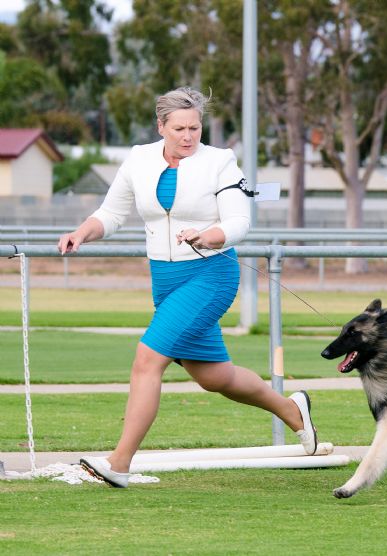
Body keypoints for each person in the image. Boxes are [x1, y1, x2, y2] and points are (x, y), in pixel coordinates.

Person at [57, 87, 316, 488]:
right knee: (215, 377)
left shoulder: (220, 162)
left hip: (210, 276)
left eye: (194, 128)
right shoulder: (139, 159)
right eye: (179, 128)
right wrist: (81, 233)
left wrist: (210, 236)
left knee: (148, 359)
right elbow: (111, 214)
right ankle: (292, 411)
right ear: (161, 126)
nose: (188, 136)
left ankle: (119, 463)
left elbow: (239, 222)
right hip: (164, 281)